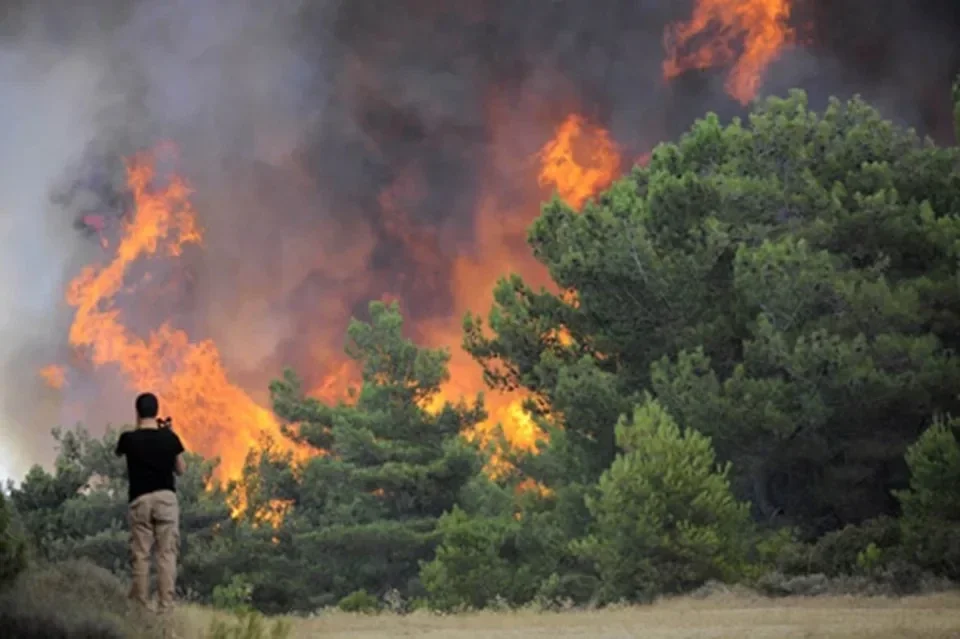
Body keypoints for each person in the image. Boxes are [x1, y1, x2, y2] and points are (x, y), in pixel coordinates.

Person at [115, 392, 186, 615]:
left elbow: (119, 453)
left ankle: (140, 607)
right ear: (156, 412)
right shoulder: (169, 438)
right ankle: (165, 608)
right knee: (167, 554)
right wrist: (168, 434)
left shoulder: (128, 439)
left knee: (141, 554)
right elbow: (181, 470)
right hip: (166, 499)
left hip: (140, 500)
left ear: (137, 412)